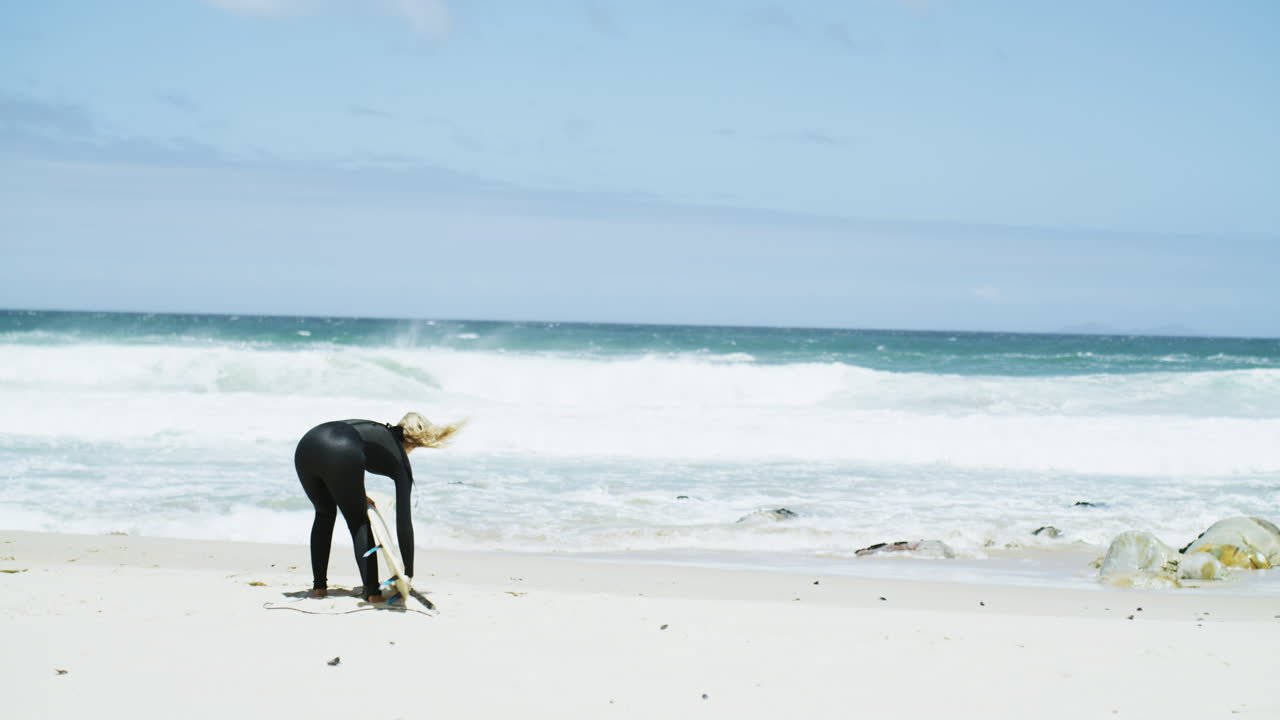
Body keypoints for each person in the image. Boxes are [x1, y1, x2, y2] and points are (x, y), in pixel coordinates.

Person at [294, 412, 464, 601]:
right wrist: (408, 572)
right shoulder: (399, 457)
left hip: (308, 444)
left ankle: (319, 589)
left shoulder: (377, 431)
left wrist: (356, 494)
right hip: (342, 447)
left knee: (324, 512)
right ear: (414, 443)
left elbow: (342, 457)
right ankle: (373, 592)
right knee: (359, 521)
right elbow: (404, 520)